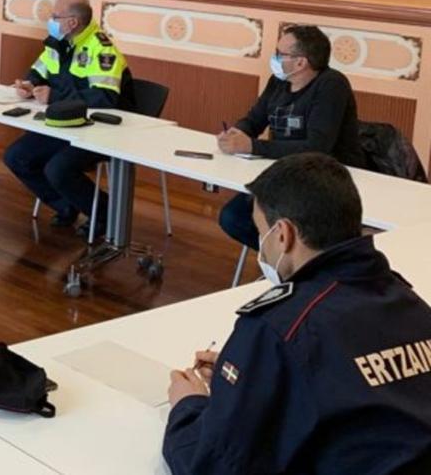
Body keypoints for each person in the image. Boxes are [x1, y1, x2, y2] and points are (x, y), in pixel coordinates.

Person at [163, 153, 431, 474]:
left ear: (283, 234)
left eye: (261, 233)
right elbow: (344, 381)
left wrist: (187, 405)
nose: (261, 249)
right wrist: (254, 374)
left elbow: (210, 465)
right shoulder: (408, 302)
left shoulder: (280, 327)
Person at [217, 24, 363, 249]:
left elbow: (317, 147)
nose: (274, 58)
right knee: (233, 217)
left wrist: (252, 147)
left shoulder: (332, 85)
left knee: (241, 218)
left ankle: (297, 265)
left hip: (325, 180)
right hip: (286, 172)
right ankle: (285, 263)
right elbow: (255, 118)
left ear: (301, 62)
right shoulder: (279, 81)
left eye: (279, 54)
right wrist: (237, 133)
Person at [3, 0, 131, 233]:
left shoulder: (101, 50)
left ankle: (105, 214)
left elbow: (105, 99)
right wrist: (28, 85)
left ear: (72, 22)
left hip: (98, 129)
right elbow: (38, 72)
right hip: (62, 123)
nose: (50, 20)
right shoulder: (58, 42)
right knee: (16, 157)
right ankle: (66, 205)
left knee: (58, 168)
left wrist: (54, 97)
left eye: (55, 16)